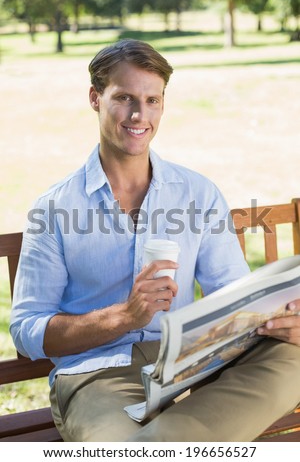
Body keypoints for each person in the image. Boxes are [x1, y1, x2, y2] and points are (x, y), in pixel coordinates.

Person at [10, 39, 300, 442]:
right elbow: (27, 329)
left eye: (152, 100)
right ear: (95, 98)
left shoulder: (197, 193)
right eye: (124, 97)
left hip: (193, 367)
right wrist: (123, 317)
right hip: (98, 375)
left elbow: (234, 296)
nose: (138, 115)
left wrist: (278, 316)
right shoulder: (55, 207)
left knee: (295, 357)